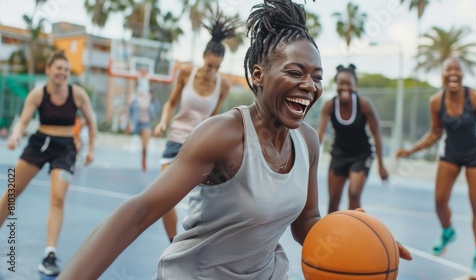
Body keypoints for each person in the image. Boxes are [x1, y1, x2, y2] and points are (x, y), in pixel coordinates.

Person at [58, 1, 411, 279]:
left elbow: (306, 222)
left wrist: (360, 235)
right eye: (295, 72)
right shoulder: (223, 135)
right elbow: (139, 212)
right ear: (258, 74)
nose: (310, 86)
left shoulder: (307, 141)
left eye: (317, 77)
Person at [396, 57, 476, 279]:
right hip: (451, 153)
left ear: (462, 74)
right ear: (442, 74)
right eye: (448, 69)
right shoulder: (436, 101)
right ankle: (448, 230)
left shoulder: (475, 98)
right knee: (440, 201)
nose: (453, 73)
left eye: (457, 69)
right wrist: (410, 151)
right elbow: (435, 133)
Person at [1, 52, 96, 276]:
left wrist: (91, 149)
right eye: (59, 68)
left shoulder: (78, 94)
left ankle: (49, 254)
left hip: (65, 149)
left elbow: (92, 123)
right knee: (11, 193)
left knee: (57, 198)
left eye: (66, 69)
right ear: (48, 70)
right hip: (39, 144)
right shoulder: (37, 94)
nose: (63, 72)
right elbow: (22, 123)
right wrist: (15, 137)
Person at [153, 8, 236, 243]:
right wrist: (162, 121)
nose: (212, 71)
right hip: (176, 139)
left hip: (201, 144)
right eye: (210, 65)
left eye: (217, 67)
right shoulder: (186, 73)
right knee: (162, 198)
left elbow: (215, 117)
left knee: (215, 198)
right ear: (204, 57)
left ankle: (201, 244)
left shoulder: (223, 85)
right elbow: (170, 103)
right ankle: (173, 243)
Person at [317, 64, 388, 213]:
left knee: (354, 194)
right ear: (336, 85)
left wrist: (381, 165)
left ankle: (354, 233)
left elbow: (377, 134)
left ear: (355, 86)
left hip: (361, 155)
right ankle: (332, 234)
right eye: (341, 83)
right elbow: (320, 135)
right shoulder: (329, 106)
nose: (345, 87)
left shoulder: (364, 105)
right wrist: (308, 159)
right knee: (333, 201)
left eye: (348, 83)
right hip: (339, 155)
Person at [124, 64, 160, 172]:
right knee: (127, 132)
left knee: (145, 146)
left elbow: (156, 108)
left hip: (146, 123)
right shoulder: (135, 97)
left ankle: (143, 159)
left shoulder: (151, 98)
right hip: (136, 122)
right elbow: (129, 110)